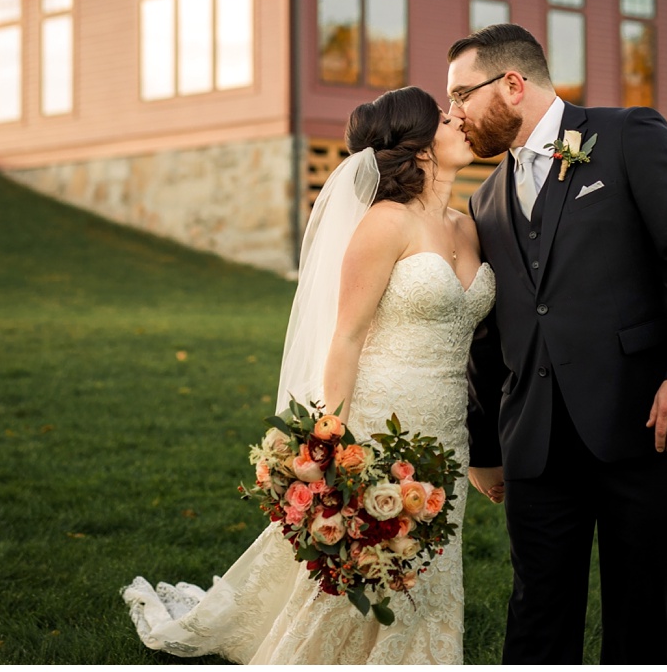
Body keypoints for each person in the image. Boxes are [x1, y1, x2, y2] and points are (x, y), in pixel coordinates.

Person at [123, 86, 494, 663]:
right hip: (381, 417)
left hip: (447, 424)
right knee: (366, 561)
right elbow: (345, 336)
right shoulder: (383, 225)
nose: (461, 123)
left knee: (433, 563)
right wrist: (331, 439)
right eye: (446, 119)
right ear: (418, 147)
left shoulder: (468, 228)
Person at [449, 23, 667, 665]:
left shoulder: (628, 135)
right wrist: (487, 447)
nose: (455, 114)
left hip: (647, 420)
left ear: (512, 85)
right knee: (536, 611)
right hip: (538, 444)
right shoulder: (486, 200)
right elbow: (487, 330)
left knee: (639, 609)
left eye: (462, 96)